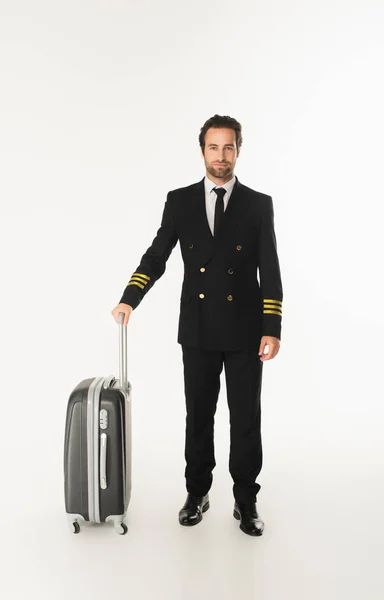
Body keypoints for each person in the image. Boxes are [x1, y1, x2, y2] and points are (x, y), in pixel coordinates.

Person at [111, 114, 283, 536]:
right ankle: (197, 491)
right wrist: (129, 298)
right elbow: (158, 256)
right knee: (199, 416)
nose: (221, 156)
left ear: (238, 150)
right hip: (200, 327)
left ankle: (246, 500)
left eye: (228, 147)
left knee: (245, 418)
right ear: (202, 150)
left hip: (245, 330)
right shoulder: (180, 200)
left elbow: (270, 268)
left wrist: (272, 326)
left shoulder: (258, 203)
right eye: (213, 147)